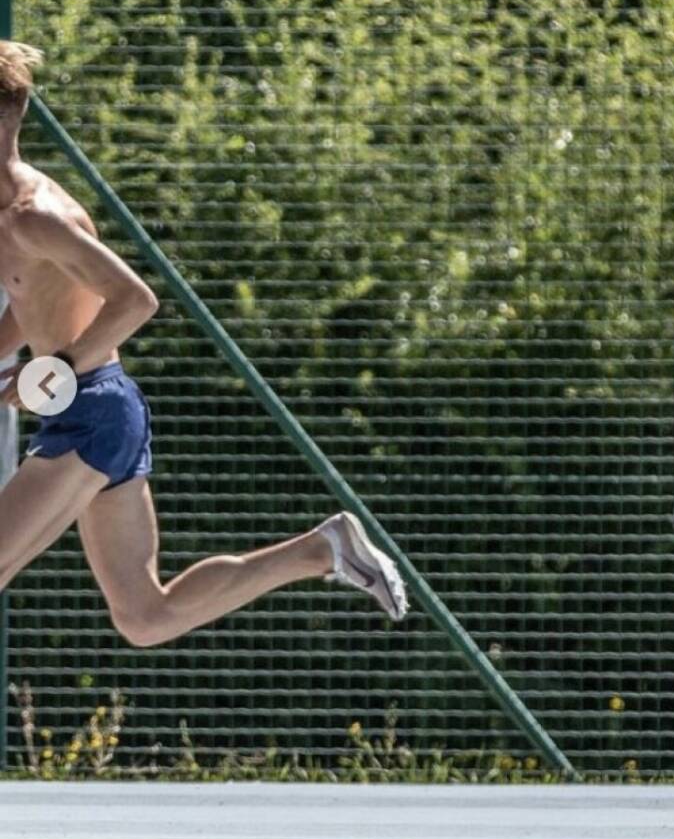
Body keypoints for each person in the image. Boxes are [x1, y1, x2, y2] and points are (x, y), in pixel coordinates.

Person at [0, 40, 406, 646]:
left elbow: (134, 300)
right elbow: (35, 305)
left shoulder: (35, 215)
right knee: (145, 617)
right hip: (93, 408)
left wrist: (50, 375)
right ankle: (322, 550)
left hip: (94, 412)